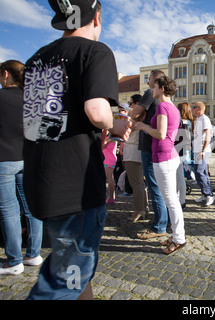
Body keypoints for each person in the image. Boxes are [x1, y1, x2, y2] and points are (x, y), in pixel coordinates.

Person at [23, 0, 131, 300]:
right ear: (96, 17)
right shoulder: (95, 51)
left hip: (40, 180)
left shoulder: (35, 59)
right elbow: (96, 111)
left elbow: (36, 123)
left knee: (76, 273)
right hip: (76, 188)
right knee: (60, 285)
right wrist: (116, 126)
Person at [0, 60, 43, 276]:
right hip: (27, 158)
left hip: (4, 159)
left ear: (5, 74)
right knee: (30, 207)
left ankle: (14, 260)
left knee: (9, 210)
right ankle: (33, 254)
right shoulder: (32, 100)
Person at [135, 76, 186, 255]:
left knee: (171, 200)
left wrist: (142, 126)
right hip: (168, 156)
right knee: (172, 199)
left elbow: (161, 134)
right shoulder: (173, 107)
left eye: (154, 86)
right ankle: (178, 236)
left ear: (162, 89)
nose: (152, 89)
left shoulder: (164, 106)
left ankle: (179, 238)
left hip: (163, 157)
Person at [128, 70, 169, 239]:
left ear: (156, 79)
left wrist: (139, 117)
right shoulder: (163, 100)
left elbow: (133, 114)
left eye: (149, 79)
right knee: (157, 185)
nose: (147, 83)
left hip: (148, 145)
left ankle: (159, 225)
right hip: (155, 145)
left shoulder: (149, 93)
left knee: (153, 185)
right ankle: (162, 220)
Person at [124, 94, 150, 222]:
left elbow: (127, 129)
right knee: (139, 182)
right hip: (135, 151)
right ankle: (143, 207)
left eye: (131, 103)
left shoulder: (135, 116)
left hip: (132, 151)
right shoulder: (141, 115)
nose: (129, 106)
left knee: (136, 183)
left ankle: (140, 210)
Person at [192, 101, 215, 206]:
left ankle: (209, 194)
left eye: (194, 107)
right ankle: (205, 194)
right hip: (197, 150)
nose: (192, 109)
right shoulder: (198, 119)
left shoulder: (204, 119)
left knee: (199, 172)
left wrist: (203, 150)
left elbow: (208, 135)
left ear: (199, 109)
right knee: (203, 173)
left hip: (202, 150)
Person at [175, 102, 194, 209]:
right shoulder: (188, 121)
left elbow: (185, 138)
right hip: (181, 150)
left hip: (179, 150)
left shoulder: (184, 122)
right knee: (179, 176)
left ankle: (181, 200)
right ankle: (180, 199)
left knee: (179, 177)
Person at [102, 130, 117, 205]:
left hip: (109, 160)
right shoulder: (110, 137)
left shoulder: (111, 138)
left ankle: (112, 197)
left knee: (109, 179)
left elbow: (102, 146)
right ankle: (109, 197)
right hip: (106, 159)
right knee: (107, 179)